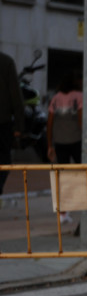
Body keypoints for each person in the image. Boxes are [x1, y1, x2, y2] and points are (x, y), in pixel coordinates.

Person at [0, 50, 25, 196]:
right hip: (3, 123)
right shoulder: (6, 62)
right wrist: (19, 127)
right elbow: (16, 95)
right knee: (3, 158)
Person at [47, 71, 83, 165]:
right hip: (76, 138)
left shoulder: (55, 98)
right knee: (83, 167)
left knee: (64, 169)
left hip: (59, 140)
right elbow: (81, 120)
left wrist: (50, 144)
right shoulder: (79, 96)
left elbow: (50, 122)